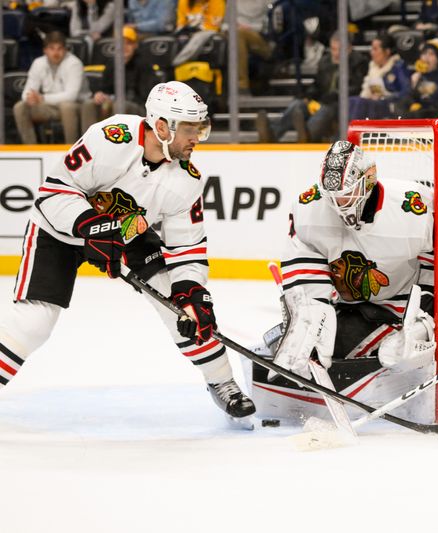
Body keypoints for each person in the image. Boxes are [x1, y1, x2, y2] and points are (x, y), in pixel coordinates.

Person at [0, 81, 256, 424]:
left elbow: (187, 247)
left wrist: (193, 291)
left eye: (200, 128)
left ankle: (222, 382)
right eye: (191, 129)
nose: (197, 137)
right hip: (60, 229)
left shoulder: (188, 180)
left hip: (126, 233)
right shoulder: (110, 138)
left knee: (185, 310)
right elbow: (54, 193)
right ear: (162, 126)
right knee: (33, 324)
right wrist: (90, 225)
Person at [248, 141, 438, 420]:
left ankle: (429, 378)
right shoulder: (310, 205)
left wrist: (426, 313)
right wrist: (310, 307)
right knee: (289, 341)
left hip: (397, 306)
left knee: (354, 347)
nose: (337, 204)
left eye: (346, 195)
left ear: (368, 180)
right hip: (342, 302)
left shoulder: (414, 206)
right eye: (331, 196)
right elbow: (304, 255)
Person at [259, 31, 368, 143]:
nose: (335, 53)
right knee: (298, 104)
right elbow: (317, 84)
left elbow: (357, 88)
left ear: (348, 49)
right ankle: (272, 132)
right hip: (321, 101)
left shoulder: (359, 62)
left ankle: (308, 134)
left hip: (341, 105)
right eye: (333, 49)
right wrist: (308, 94)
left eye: (339, 49)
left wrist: (334, 95)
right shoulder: (325, 61)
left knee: (326, 109)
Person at [79, 25, 160, 133]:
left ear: (135, 45)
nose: (124, 47)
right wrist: (100, 94)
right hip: (114, 102)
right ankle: (88, 142)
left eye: (129, 43)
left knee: (119, 105)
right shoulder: (111, 63)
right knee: (89, 104)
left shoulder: (144, 64)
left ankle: (119, 143)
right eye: (121, 43)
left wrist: (116, 99)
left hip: (138, 106)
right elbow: (104, 88)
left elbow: (146, 96)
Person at [13, 31, 83, 145]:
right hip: (48, 107)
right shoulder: (38, 63)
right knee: (20, 106)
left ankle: (72, 149)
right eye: (52, 48)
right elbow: (27, 91)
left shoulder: (74, 63)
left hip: (76, 105)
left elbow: (71, 96)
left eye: (59, 48)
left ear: (65, 50)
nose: (56, 53)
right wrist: (29, 98)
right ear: (45, 50)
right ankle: (31, 149)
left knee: (67, 106)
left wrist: (42, 98)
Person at [349, 35, 412, 121]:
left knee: (361, 103)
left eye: (375, 49)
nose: (371, 52)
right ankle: (347, 131)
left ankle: (353, 131)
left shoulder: (398, 67)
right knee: (352, 101)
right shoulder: (372, 67)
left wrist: (384, 98)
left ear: (387, 51)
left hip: (390, 106)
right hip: (372, 104)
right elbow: (365, 92)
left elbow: (406, 92)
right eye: (371, 49)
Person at [402, 38, 438, 119]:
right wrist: (414, 84)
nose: (426, 57)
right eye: (424, 53)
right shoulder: (416, 75)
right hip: (418, 113)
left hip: (436, 112)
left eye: (431, 54)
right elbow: (408, 97)